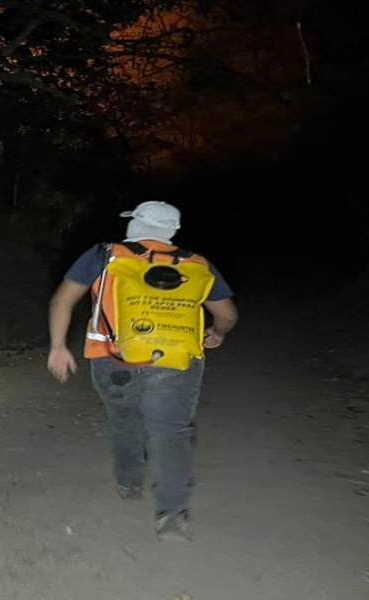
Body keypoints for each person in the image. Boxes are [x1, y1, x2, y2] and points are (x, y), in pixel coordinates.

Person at [47, 201, 238, 541]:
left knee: (125, 420)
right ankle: (172, 515)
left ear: (135, 224)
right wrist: (218, 332)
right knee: (171, 432)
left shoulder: (105, 254)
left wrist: (59, 347)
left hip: (112, 359)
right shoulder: (196, 263)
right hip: (177, 361)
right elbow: (227, 314)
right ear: (172, 231)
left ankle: (129, 482)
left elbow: (62, 300)